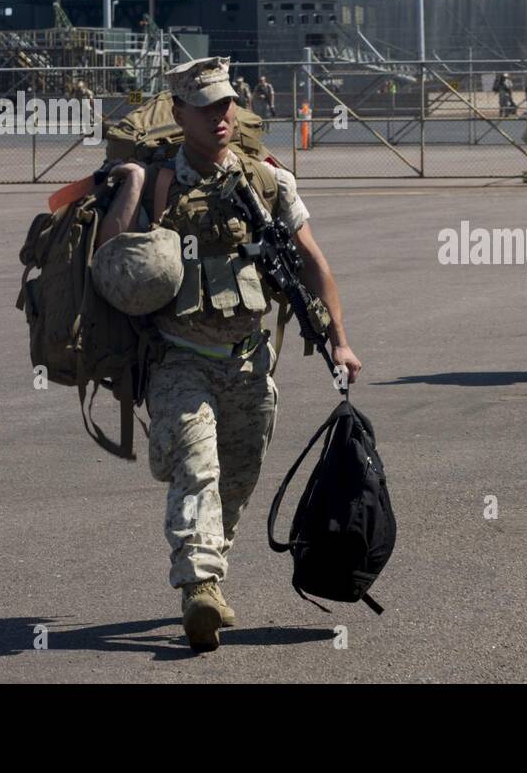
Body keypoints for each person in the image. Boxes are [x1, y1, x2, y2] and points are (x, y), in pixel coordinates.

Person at [93, 56, 363, 652]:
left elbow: (313, 261)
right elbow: (112, 263)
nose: (219, 115)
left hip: (248, 360)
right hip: (178, 359)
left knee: (238, 480)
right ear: (179, 112)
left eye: (225, 104)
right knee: (198, 470)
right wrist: (131, 186)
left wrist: (339, 340)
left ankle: (211, 565)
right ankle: (200, 588)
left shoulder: (269, 181)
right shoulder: (158, 182)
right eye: (205, 106)